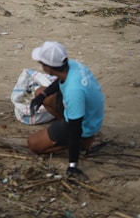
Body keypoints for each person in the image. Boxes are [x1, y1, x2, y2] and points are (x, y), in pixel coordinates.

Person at [27, 41, 104, 178]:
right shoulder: (72, 65)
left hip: (84, 124)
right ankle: (64, 133)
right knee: (40, 92)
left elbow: (75, 128)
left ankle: (83, 142)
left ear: (49, 68)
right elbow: (59, 81)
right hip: (86, 112)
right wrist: (42, 97)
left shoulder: (73, 91)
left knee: (33, 144)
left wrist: (72, 165)